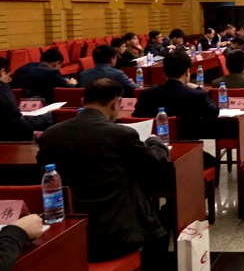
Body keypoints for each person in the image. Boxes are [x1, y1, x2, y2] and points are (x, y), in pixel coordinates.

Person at [37, 78, 171, 268]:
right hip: (117, 236)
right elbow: (155, 163)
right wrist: (155, 142)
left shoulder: (50, 135)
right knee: (161, 228)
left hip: (69, 233)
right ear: (115, 103)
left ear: (83, 101)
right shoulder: (121, 134)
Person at [133, 52, 219, 157]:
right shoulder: (196, 95)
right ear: (187, 72)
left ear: (164, 72)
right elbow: (214, 111)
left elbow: (136, 118)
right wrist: (197, 88)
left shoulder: (146, 94)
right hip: (188, 153)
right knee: (212, 161)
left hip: (154, 154)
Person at [0, 56, 53, 141]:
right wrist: (47, 117)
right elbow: (19, 127)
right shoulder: (3, 90)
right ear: (2, 72)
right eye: (8, 76)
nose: (9, 81)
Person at [11, 48, 77, 105]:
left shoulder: (21, 69)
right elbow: (68, 90)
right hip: (42, 107)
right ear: (56, 64)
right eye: (60, 66)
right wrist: (72, 84)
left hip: (19, 105)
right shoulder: (51, 73)